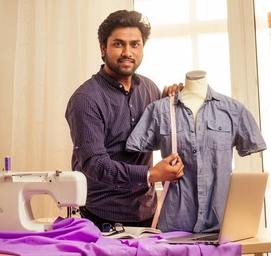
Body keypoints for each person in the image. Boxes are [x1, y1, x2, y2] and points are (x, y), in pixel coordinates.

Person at [65, 10, 184, 230]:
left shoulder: (150, 89)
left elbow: (157, 139)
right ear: (103, 48)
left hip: (148, 213)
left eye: (135, 44)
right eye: (118, 44)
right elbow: (95, 165)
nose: (127, 52)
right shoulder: (85, 99)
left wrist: (170, 106)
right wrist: (151, 174)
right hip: (101, 217)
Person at [126, 70, 267, 233]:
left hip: (221, 224)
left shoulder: (234, 110)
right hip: (175, 225)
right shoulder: (159, 110)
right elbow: (134, 148)